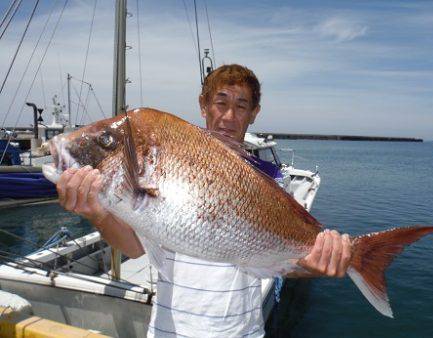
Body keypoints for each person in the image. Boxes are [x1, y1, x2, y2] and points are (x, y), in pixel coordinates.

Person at [56, 64, 351, 337]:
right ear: (204, 105)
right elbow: (134, 248)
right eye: (221, 103)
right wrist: (97, 214)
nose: (228, 116)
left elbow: (280, 261)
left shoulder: (270, 180)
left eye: (241, 106)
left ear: (254, 113)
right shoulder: (167, 164)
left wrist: (319, 264)